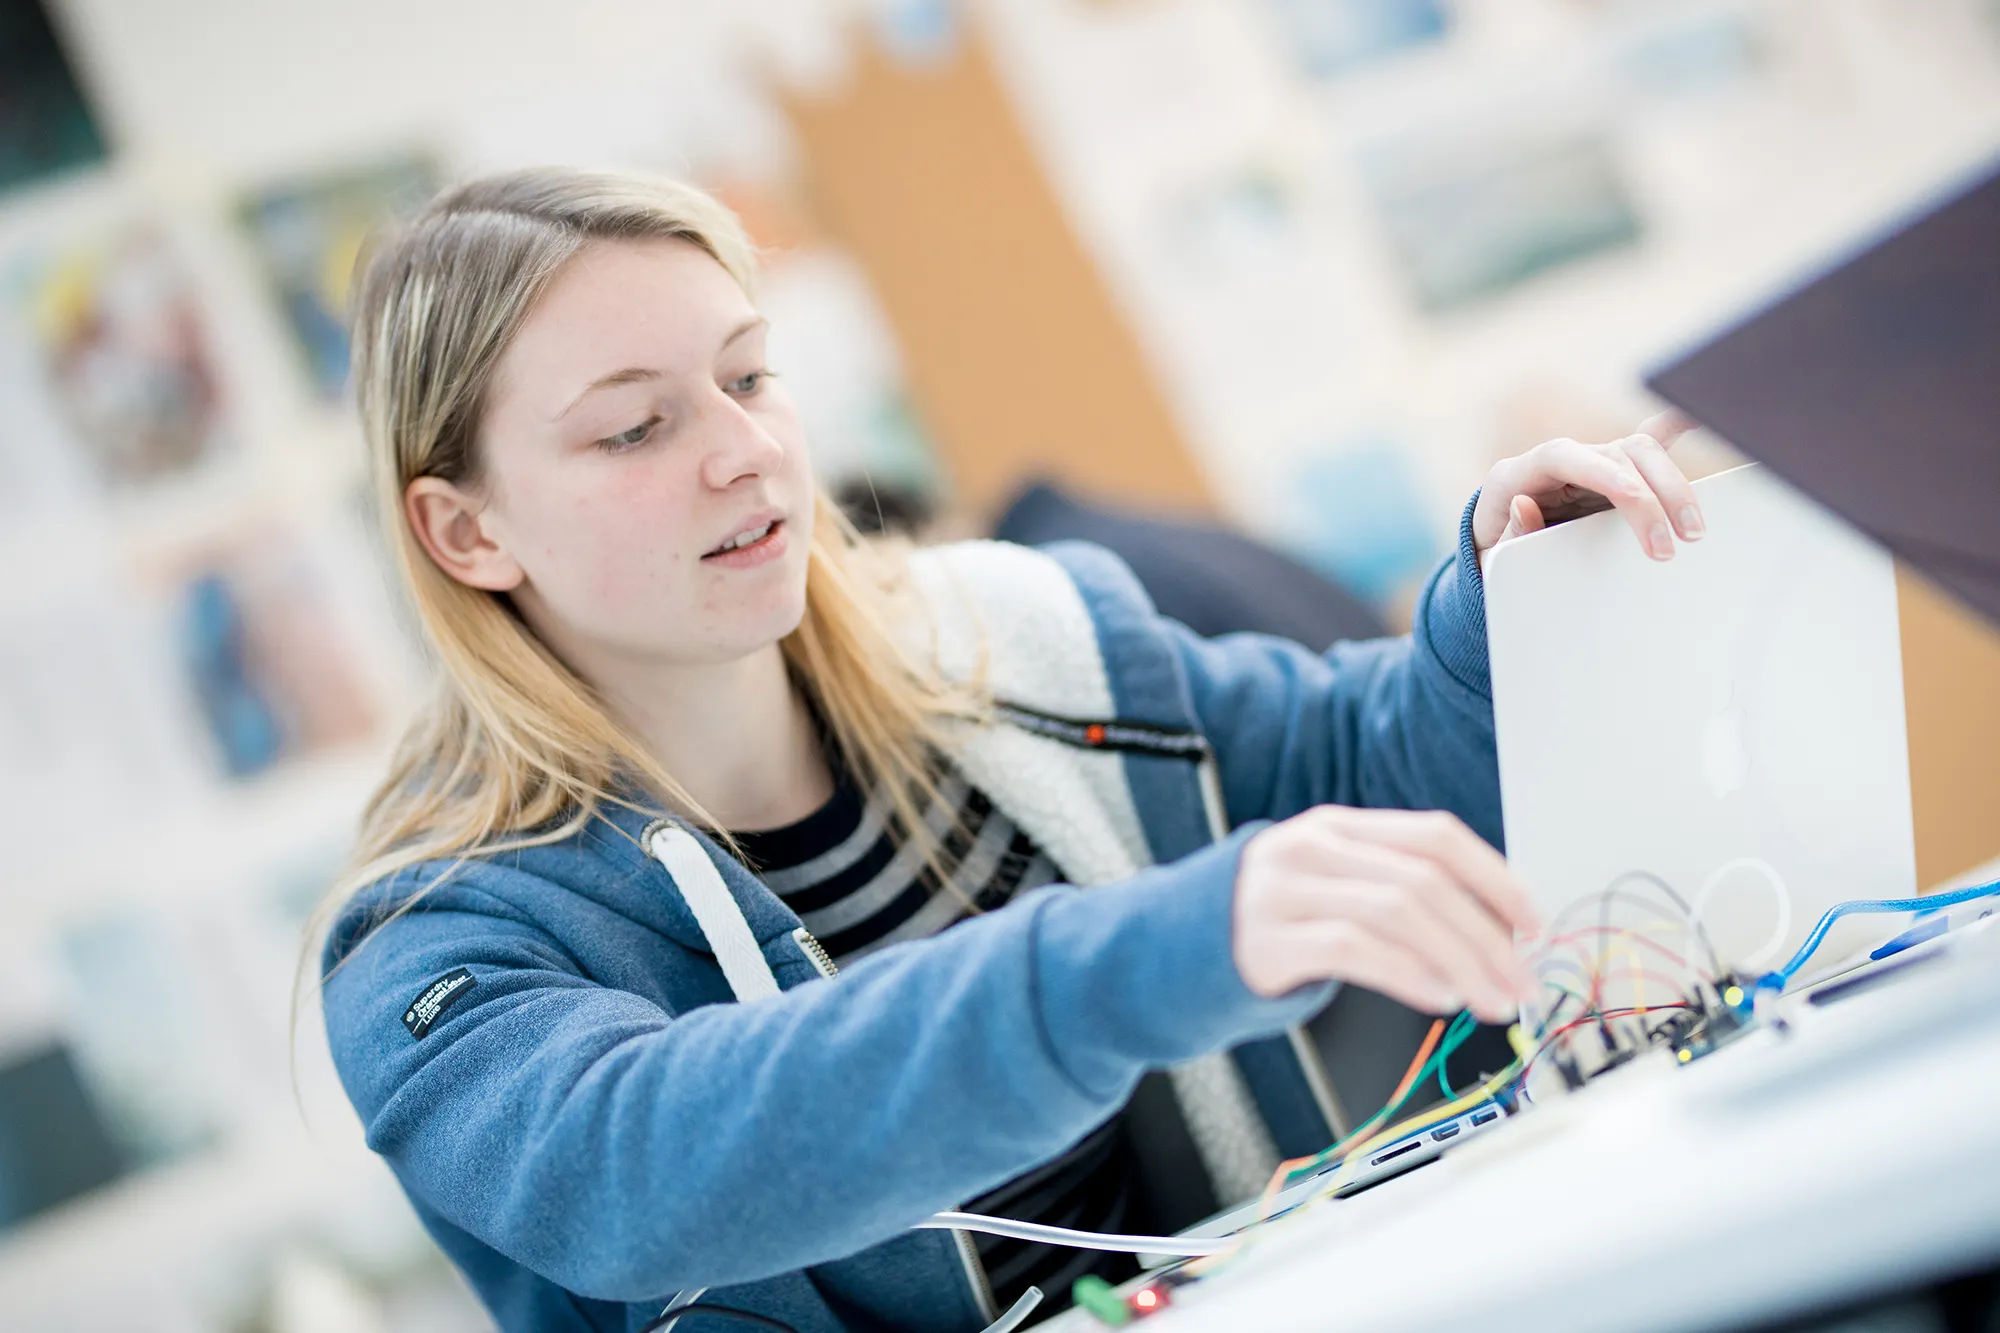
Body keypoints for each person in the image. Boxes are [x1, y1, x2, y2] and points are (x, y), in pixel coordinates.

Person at [318, 167, 1706, 1333]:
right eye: (634, 426)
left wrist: (1501, 608)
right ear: (466, 532)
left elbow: (1377, 760)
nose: (743, 452)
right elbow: (651, 1161)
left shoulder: (1016, 635)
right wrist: (1142, 956)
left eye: (750, 376)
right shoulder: (439, 943)